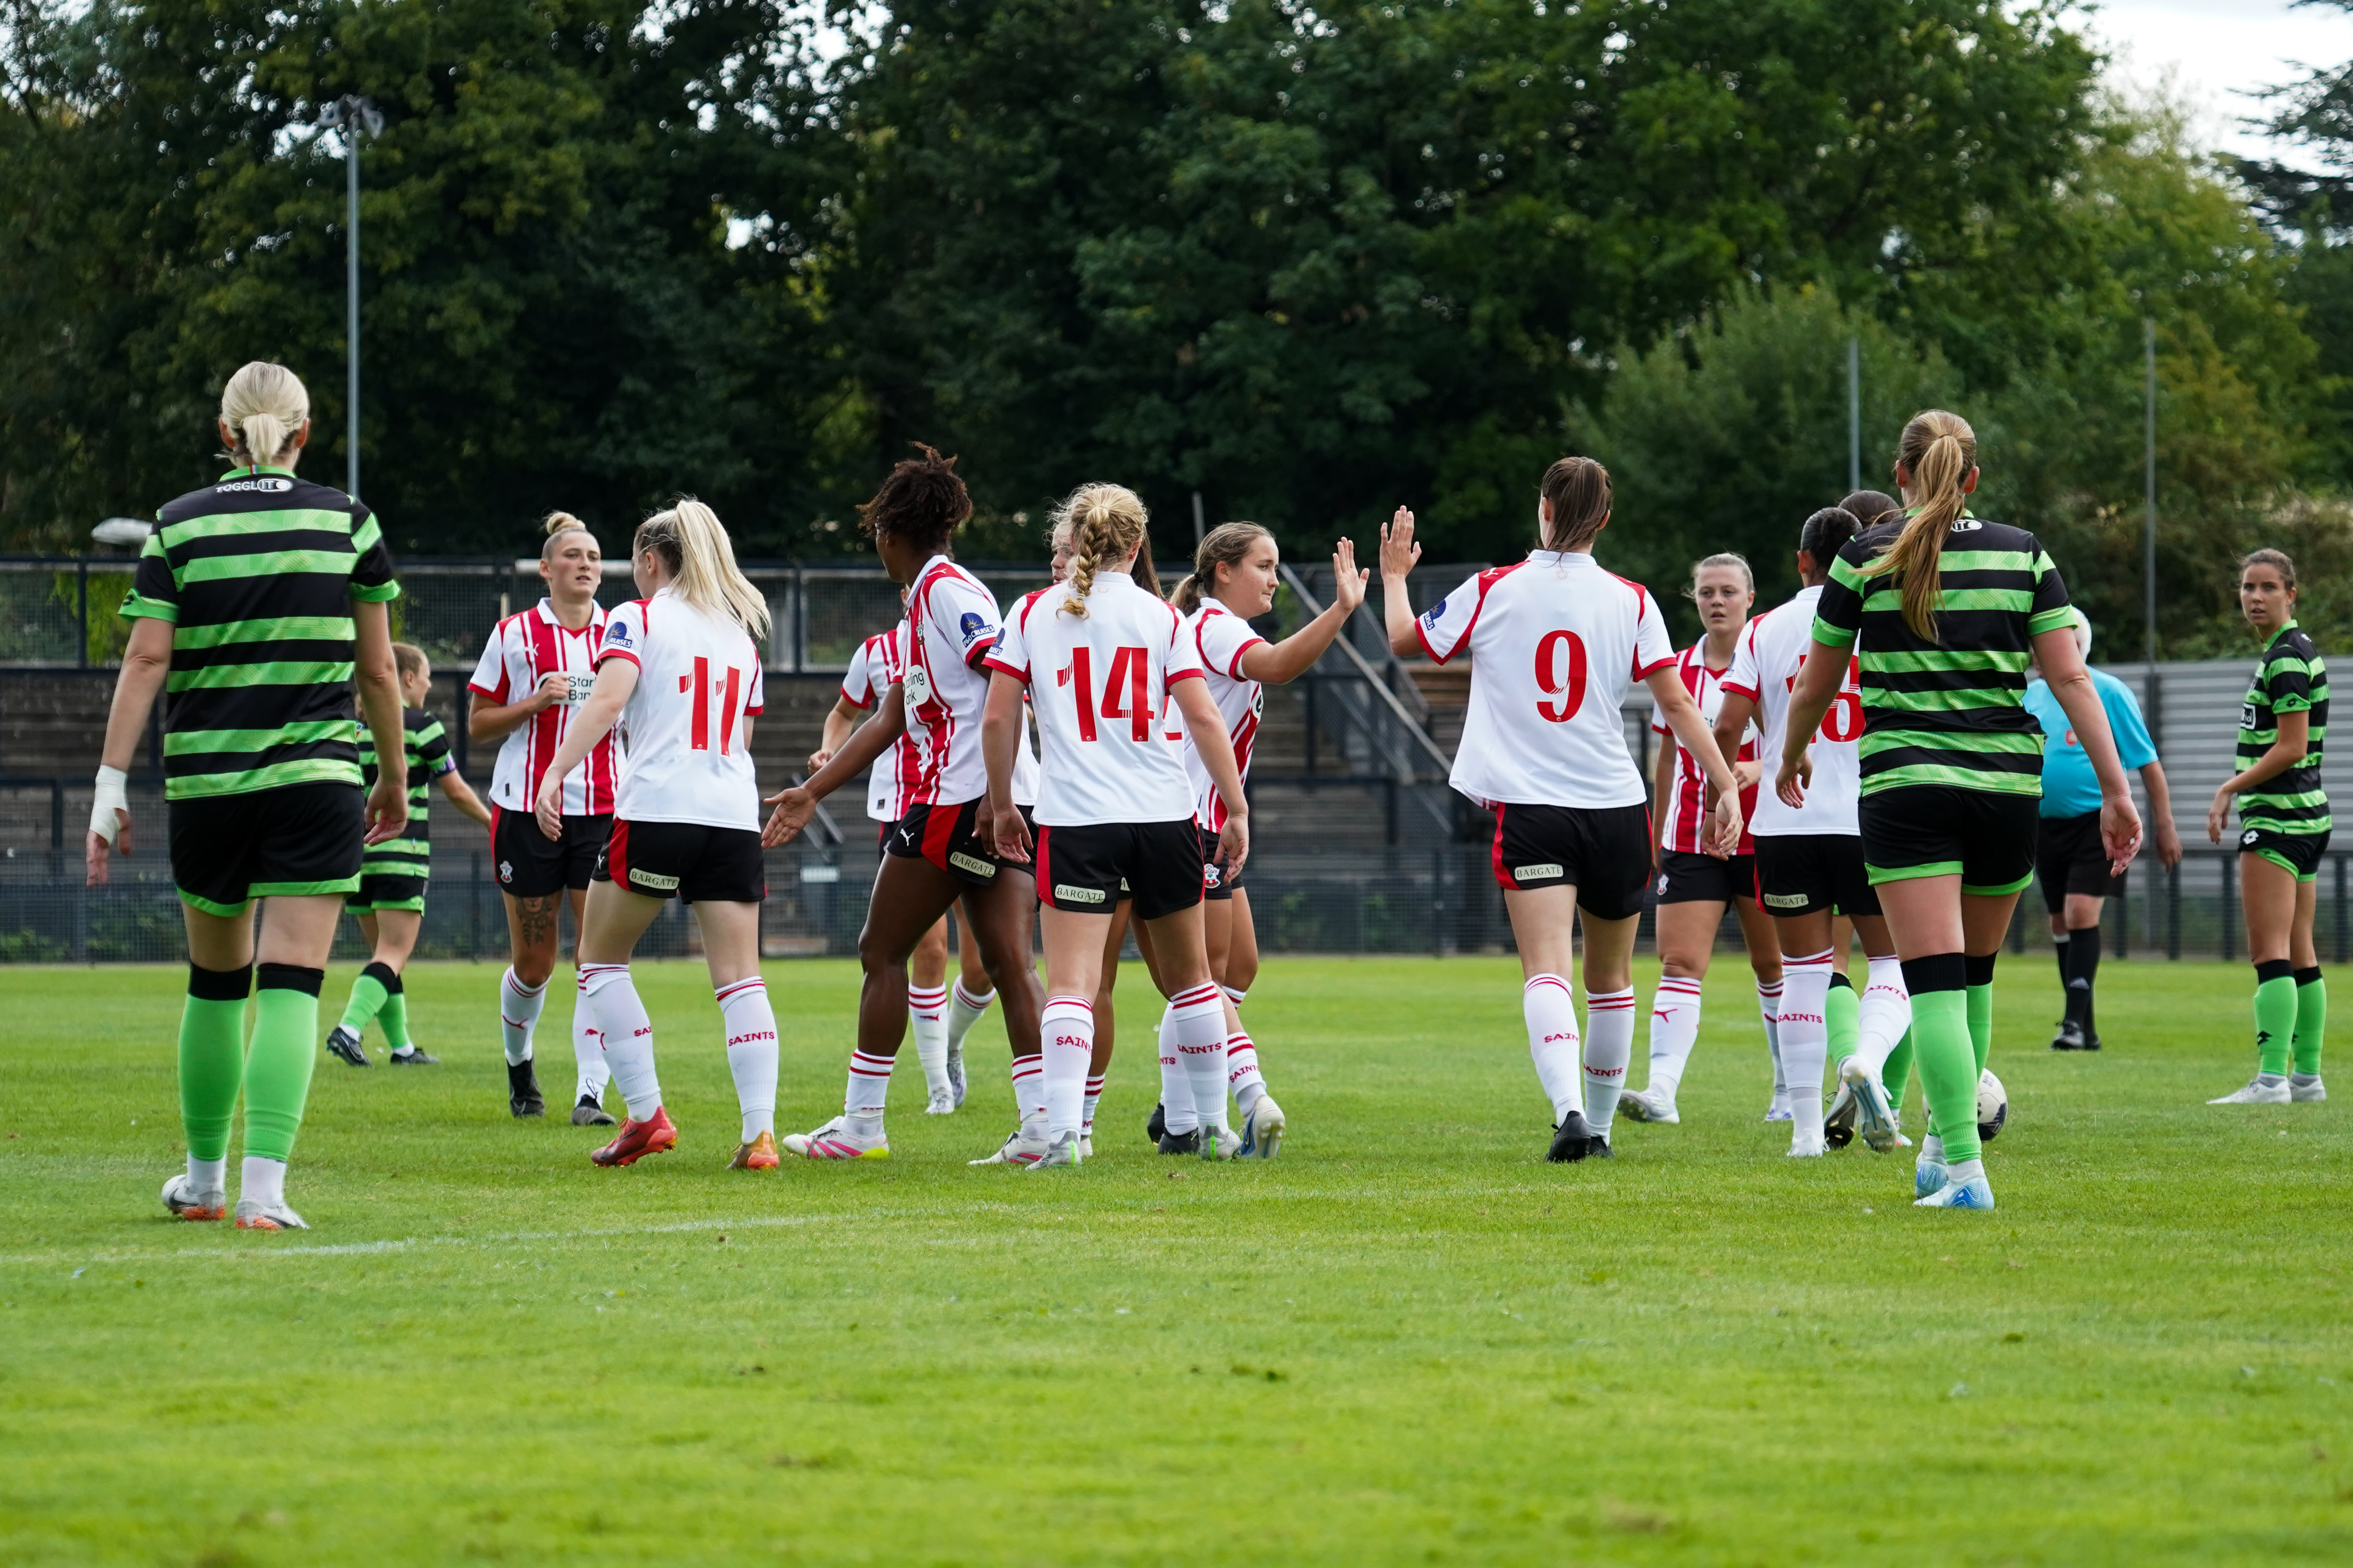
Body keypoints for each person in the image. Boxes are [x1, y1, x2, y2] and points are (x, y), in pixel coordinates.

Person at [1781, 410, 2140, 1210]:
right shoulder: (2022, 553)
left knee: (1934, 985)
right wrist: (2116, 791)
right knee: (1974, 977)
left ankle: (1966, 1174)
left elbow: (1816, 681)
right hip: (2007, 790)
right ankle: (1940, 1155)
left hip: (1908, 787)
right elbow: (2070, 679)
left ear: (1899, 474)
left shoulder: (1863, 555)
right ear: (1972, 476)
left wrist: (1790, 753)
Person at [87, 360, 408, 1230]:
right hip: (316, 782)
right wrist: (393, 776)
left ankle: (203, 1182)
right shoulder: (346, 520)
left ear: (223, 434)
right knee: (293, 983)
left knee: (215, 983)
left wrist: (109, 785)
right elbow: (380, 670)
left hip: (208, 784)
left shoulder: (176, 525)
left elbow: (145, 659)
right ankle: (265, 1193)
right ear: (305, 432)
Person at [1382, 457, 1743, 1163]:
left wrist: (1395, 576)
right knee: (1610, 979)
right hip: (1616, 807)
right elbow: (1676, 703)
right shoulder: (1631, 599)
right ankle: (1599, 1130)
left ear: (1543, 508)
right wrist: (1724, 781)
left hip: (1535, 810)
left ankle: (1569, 1111)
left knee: (1545, 968)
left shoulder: (1493, 587)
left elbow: (1403, 640)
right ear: (1604, 519)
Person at [763, 448, 1048, 1164]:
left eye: (875, 534)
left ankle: (862, 1126)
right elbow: (889, 716)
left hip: (959, 801)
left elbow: (1004, 675)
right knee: (1010, 962)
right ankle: (1043, 1129)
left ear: (891, 532)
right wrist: (811, 792)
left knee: (880, 950)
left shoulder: (945, 592)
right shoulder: (925, 600)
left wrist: (993, 795)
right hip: (990, 800)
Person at [978, 482, 1253, 1168]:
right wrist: (1236, 807)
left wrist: (1003, 803)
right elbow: (1202, 717)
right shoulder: (1162, 616)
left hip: (1077, 822)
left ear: (1075, 539)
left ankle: (1064, 1136)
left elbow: (998, 716)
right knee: (1192, 979)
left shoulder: (1033, 611)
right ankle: (1213, 1127)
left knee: (1072, 983)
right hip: (1163, 816)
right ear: (1136, 546)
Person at [534, 501, 782, 1170]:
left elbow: (608, 699)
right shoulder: (740, 637)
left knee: (599, 960)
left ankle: (645, 1115)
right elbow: (741, 737)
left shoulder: (635, 617)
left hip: (659, 809)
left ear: (649, 560)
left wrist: (555, 772)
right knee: (741, 978)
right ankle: (760, 1135)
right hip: (731, 815)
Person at [1121, 522, 1368, 1158]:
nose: (1273, 579)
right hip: (1186, 824)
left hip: (1204, 825)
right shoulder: (1214, 626)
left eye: (1275, 566)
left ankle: (1177, 1113)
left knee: (1236, 968)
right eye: (1263, 565)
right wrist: (1340, 609)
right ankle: (1245, 1100)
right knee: (1199, 978)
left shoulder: (1211, 626)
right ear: (1222, 571)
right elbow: (1279, 665)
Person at [1714, 509, 1913, 1156]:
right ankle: (1865, 1061)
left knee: (1801, 971)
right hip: (1871, 815)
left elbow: (1727, 724)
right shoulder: (1882, 620)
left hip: (1785, 819)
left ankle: (1804, 1134)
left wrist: (1726, 790)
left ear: (1801, 560)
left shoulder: (1764, 627)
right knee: (1894, 961)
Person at [818, 612, 1024, 1111]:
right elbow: (847, 712)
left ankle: (950, 1046)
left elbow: (1005, 695)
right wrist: (828, 750)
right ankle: (938, 1088)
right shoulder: (877, 651)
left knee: (984, 968)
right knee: (925, 950)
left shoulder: (964, 634)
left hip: (966, 802)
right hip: (906, 808)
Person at [1618, 552, 1783, 1129]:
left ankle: (1789, 1090)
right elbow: (1666, 757)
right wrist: (1657, 829)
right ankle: (1662, 1090)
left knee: (1773, 964)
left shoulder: (1770, 660)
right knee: (1679, 961)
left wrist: (1758, 770)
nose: (1716, 601)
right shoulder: (1679, 668)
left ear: (1749, 598)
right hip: (1690, 837)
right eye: (1706, 592)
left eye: (1727, 591)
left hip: (1763, 834)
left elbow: (1797, 739)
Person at [466, 513, 621, 1123]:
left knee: (596, 957)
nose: (586, 564)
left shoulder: (623, 630)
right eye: (573, 555)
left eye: (594, 556)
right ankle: (520, 1064)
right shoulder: (514, 633)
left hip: (603, 809)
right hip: (525, 808)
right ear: (546, 568)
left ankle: (590, 1094)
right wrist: (534, 701)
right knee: (534, 964)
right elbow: (478, 724)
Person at [323, 642, 492, 1067]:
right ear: (408, 677)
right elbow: (456, 790)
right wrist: (494, 824)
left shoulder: (352, 728)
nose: (430, 685)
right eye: (427, 677)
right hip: (403, 853)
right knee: (393, 953)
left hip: (358, 857)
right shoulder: (420, 725)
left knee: (383, 957)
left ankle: (401, 1049)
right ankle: (348, 1029)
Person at [2024, 608, 2181, 1051]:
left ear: (2077, 644)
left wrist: (2165, 825)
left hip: (2096, 823)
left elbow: (2148, 762)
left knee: (2079, 912)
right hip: (2044, 826)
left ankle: (2072, 1023)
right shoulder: (2030, 696)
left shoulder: (2108, 691)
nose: (2040, 651)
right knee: (2060, 920)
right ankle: (2084, 1028)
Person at [2207, 549, 2331, 1106]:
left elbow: (2291, 745)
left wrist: (2229, 788)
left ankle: (2271, 1079)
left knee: (2268, 951)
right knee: (2300, 949)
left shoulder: (2285, 657)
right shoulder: (2297, 650)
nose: (2255, 597)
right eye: (2247, 587)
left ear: (2290, 594)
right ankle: (2306, 1078)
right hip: (2308, 817)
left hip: (2278, 818)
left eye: (2267, 587)